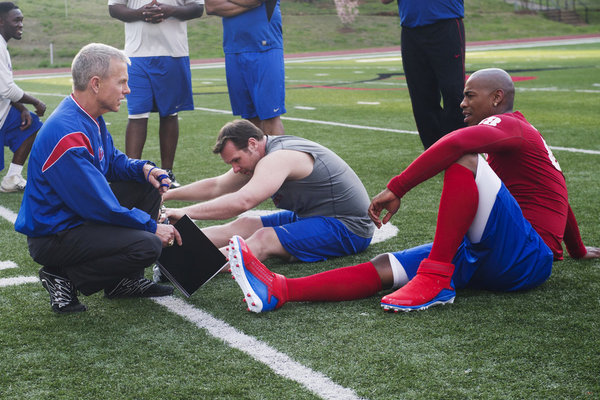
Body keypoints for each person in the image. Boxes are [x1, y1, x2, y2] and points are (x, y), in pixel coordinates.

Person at [225, 68, 600, 313]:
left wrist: (398, 187)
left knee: (464, 158)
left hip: (525, 259)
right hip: (497, 253)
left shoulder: (509, 124)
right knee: (385, 267)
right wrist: (578, 250)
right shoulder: (521, 146)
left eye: (470, 95)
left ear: (497, 99)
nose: (462, 102)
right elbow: (559, 199)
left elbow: (456, 144)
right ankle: (282, 289)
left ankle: (436, 278)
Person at [15, 43, 182, 314]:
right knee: (147, 245)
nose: (127, 90)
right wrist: (151, 227)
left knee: (146, 187)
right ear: (95, 83)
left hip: (73, 219)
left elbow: (112, 161)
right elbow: (101, 207)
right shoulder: (67, 134)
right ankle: (63, 278)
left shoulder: (86, 115)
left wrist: (145, 170)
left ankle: (123, 283)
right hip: (55, 235)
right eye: (122, 82)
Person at [163, 119, 374, 264]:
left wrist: (184, 213)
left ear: (252, 144)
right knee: (245, 225)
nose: (235, 169)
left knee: (264, 238)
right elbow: (217, 186)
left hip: (348, 227)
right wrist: (166, 195)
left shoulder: (278, 158)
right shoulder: (261, 153)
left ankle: (190, 265)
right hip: (315, 215)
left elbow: (242, 202)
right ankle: (175, 247)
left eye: (236, 160)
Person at [108, 0, 204, 188]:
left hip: (173, 52)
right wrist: (140, 13)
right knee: (136, 114)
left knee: (169, 113)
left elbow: (197, 8)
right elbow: (114, 8)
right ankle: (131, 173)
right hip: (136, 54)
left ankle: (167, 173)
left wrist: (170, 10)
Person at [381, 0, 465, 149]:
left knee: (453, 93)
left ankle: (459, 150)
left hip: (445, 24)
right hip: (410, 30)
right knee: (421, 97)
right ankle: (434, 152)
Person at [204, 0, 285, 135]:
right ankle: (257, 157)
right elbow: (212, 7)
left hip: (265, 45)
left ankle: (276, 156)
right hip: (234, 48)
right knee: (249, 118)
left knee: (271, 115)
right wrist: (250, 3)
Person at [0, 3, 46, 192]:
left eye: (22, 20)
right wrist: (35, 102)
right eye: (16, 20)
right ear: (1, 22)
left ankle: (12, 178)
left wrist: (22, 108)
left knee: (32, 123)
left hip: (4, 115)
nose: (21, 24)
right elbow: (7, 89)